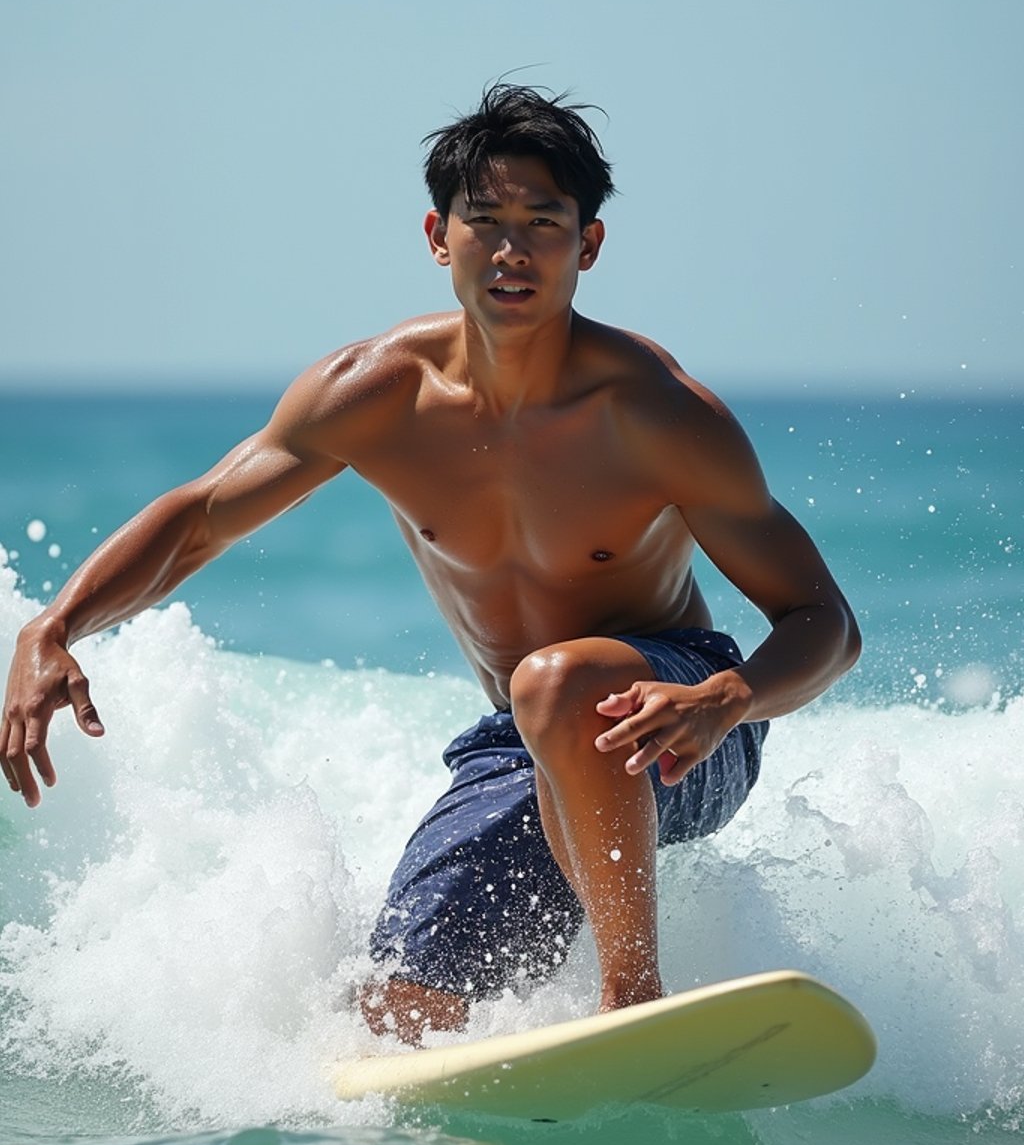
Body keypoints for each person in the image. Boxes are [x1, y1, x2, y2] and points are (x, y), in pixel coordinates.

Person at [1, 85, 860, 1044]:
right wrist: (53, 627)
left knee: (562, 679)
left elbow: (825, 620)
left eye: (543, 224)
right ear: (437, 236)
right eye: (484, 222)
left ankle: (634, 1002)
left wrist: (730, 698)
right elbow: (201, 517)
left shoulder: (656, 414)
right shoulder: (375, 395)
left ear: (589, 246)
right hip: (522, 746)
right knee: (393, 1018)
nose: (512, 250)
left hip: (683, 724)